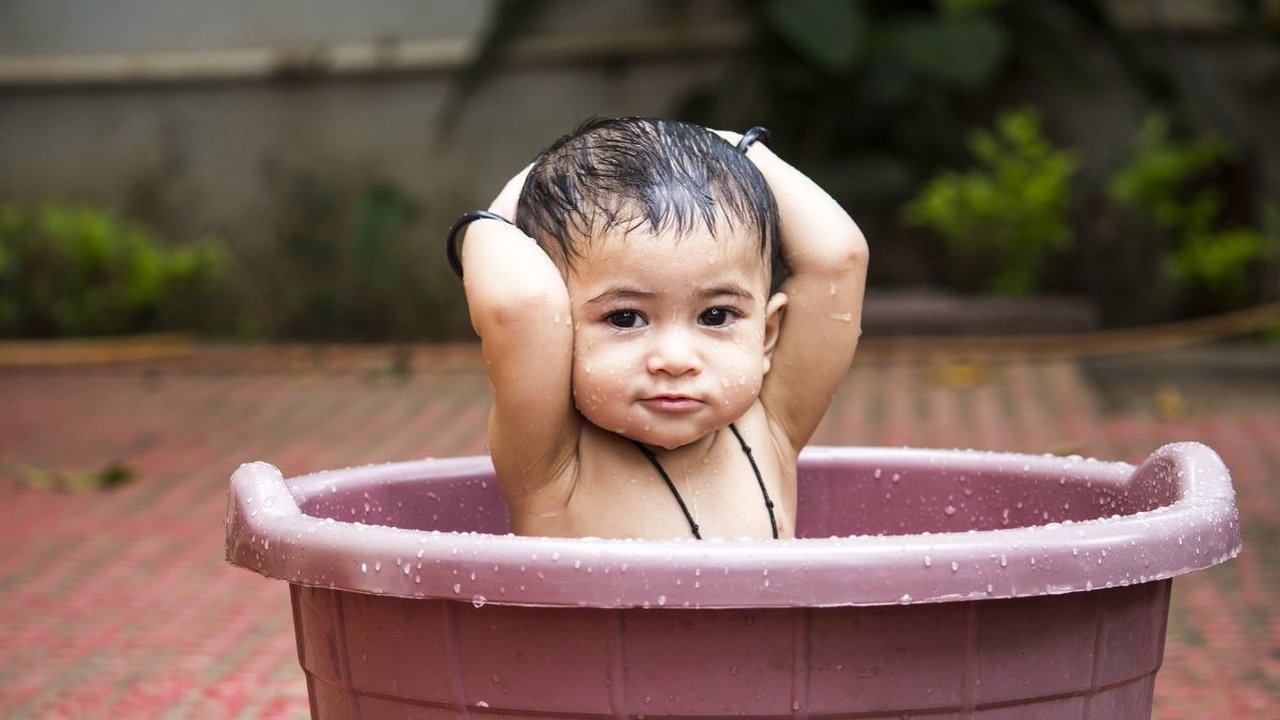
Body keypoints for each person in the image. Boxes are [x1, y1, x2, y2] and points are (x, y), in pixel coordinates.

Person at [449, 117, 867, 540]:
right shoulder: (552, 461)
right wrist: (499, 214)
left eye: (716, 316)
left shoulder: (770, 427)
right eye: (625, 318)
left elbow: (840, 259)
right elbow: (522, 304)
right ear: (562, 336)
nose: (675, 360)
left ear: (767, 336)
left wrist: (734, 147)